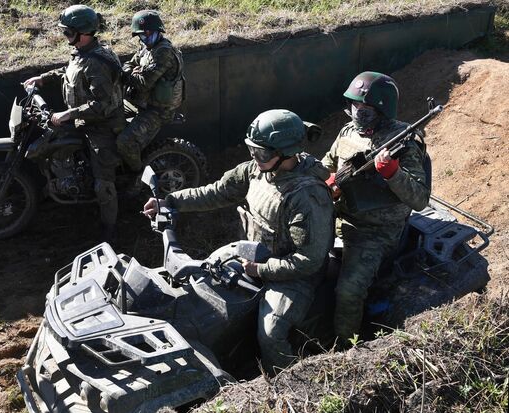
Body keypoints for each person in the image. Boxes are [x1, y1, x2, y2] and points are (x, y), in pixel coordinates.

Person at [143, 109, 334, 375]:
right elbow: (216, 192)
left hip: (294, 276)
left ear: (287, 153)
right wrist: (171, 201)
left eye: (263, 154)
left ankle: (288, 381)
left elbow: (308, 261)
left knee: (271, 332)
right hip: (251, 255)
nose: (255, 158)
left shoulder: (308, 197)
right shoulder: (256, 171)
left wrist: (261, 270)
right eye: (252, 150)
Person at [321, 71, 430, 344]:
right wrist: (326, 181)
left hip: (376, 231)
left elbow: (419, 199)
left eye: (366, 111)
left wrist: (393, 172)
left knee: (348, 292)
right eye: (355, 108)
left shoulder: (404, 144)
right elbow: (328, 163)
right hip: (339, 215)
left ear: (383, 111)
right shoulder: (347, 132)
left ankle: (346, 347)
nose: (358, 115)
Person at [24, 4, 125, 241]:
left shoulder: (97, 63)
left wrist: (68, 115)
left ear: (85, 32)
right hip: (84, 120)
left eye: (69, 33)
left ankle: (109, 229)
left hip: (102, 125)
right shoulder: (83, 51)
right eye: (65, 32)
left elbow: (103, 105)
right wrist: (43, 78)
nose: (66, 37)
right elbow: (70, 70)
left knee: (103, 183)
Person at [117, 9, 184, 172]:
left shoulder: (163, 51)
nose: (145, 38)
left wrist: (134, 73)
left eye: (149, 33)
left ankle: (139, 176)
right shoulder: (146, 47)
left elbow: (142, 83)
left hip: (158, 110)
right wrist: (134, 70)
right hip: (141, 103)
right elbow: (128, 65)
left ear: (159, 31)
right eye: (141, 35)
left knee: (124, 142)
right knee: (109, 116)